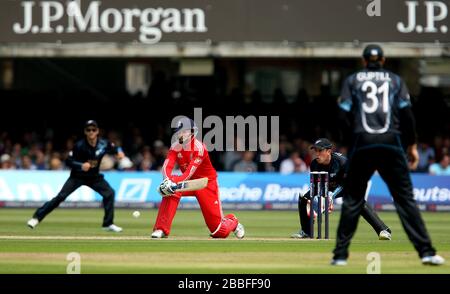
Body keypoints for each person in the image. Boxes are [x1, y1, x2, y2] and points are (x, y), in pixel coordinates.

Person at [332, 44, 444, 265]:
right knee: (405, 200)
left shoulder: (353, 81)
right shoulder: (395, 80)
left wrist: (350, 140)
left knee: (353, 200)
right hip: (391, 144)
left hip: (362, 143)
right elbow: (408, 116)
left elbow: (341, 115)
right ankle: (426, 252)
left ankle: (340, 257)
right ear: (382, 60)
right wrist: (411, 145)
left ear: (364, 61)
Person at [151, 117, 245, 239]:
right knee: (170, 190)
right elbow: (166, 166)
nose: (181, 134)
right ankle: (161, 229)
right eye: (179, 132)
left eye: (184, 131)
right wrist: (167, 181)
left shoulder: (199, 148)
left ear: (191, 132)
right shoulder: (175, 147)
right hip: (188, 183)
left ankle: (233, 221)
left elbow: (189, 172)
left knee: (218, 232)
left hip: (205, 183)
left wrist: (174, 182)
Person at [27, 120, 125, 232]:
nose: (91, 132)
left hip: (94, 177)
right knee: (61, 197)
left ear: (97, 131)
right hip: (77, 176)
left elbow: (116, 147)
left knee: (110, 193)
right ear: (85, 132)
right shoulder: (79, 145)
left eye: (93, 129)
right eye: (88, 130)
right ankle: (37, 218)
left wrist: (120, 152)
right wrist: (81, 165)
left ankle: (108, 224)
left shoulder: (103, 143)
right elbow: (68, 161)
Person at [291, 138, 392, 240]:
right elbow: (317, 185)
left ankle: (383, 230)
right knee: (303, 199)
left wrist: (331, 195)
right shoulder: (314, 164)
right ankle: (306, 231)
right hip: (328, 186)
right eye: (315, 150)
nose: (317, 153)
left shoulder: (341, 162)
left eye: (320, 150)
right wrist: (317, 199)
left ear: (328, 151)